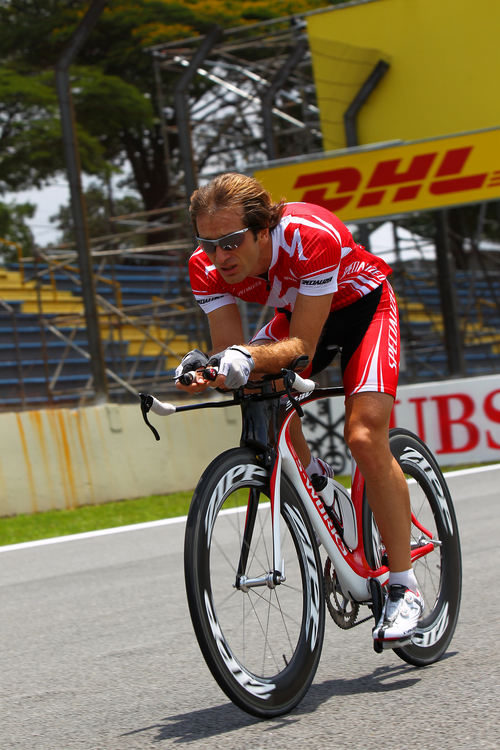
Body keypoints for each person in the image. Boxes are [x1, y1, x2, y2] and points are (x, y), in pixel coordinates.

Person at [175, 172, 423, 648]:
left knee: (365, 436)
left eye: (230, 242)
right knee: (252, 390)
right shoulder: (205, 268)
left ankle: (402, 585)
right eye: (208, 244)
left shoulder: (310, 235)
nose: (220, 257)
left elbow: (302, 350)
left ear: (262, 229)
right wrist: (211, 370)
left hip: (362, 311)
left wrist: (244, 359)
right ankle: (317, 479)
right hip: (298, 317)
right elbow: (233, 358)